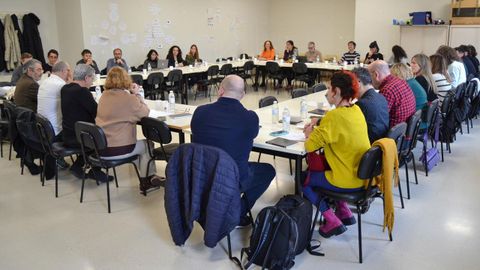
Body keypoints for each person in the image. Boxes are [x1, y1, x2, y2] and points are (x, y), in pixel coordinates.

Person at [191, 75, 276, 226]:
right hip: (232, 178)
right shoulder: (249, 118)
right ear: (242, 95)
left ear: (220, 90)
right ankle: (238, 212)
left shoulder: (200, 112)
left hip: (202, 175)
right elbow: (253, 134)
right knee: (268, 171)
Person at [302, 71, 370, 238]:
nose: (327, 92)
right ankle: (344, 211)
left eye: (329, 88)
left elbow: (309, 146)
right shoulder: (356, 110)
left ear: (337, 91)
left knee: (305, 182)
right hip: (362, 176)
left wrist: (309, 132)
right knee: (332, 168)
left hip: (346, 179)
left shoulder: (334, 116)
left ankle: (331, 220)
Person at [96, 67, 161, 191]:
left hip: (101, 147)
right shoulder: (129, 99)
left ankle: (146, 176)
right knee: (148, 144)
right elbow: (145, 113)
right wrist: (136, 94)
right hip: (118, 149)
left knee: (140, 146)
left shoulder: (103, 97)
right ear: (126, 80)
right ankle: (146, 181)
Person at [61, 64, 111, 182]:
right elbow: (97, 112)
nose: (92, 82)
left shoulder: (65, 89)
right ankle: (96, 171)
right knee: (102, 137)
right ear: (87, 78)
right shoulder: (82, 92)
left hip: (67, 133)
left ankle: (78, 166)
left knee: (91, 133)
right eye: (92, 79)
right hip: (80, 137)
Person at [368, 60, 416, 128]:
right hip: (404, 130)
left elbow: (377, 118)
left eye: (369, 77)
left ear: (376, 75)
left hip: (392, 134)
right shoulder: (401, 81)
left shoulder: (387, 90)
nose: (369, 80)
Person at [353, 67, 389, 143]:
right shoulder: (381, 97)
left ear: (358, 82)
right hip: (380, 143)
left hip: (368, 146)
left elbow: (351, 129)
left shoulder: (362, 104)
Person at [38, 61, 71, 138]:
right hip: (56, 131)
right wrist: (70, 84)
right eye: (68, 70)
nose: (69, 73)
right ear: (63, 71)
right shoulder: (61, 85)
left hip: (42, 128)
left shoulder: (44, 82)